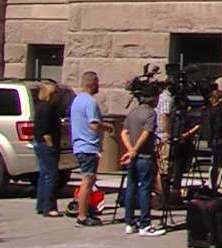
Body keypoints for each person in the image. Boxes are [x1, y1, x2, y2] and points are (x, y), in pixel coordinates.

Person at [120, 92, 165, 236]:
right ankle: (145, 224)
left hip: (133, 157)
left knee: (131, 187)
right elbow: (146, 133)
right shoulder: (150, 113)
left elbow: (124, 132)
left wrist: (129, 149)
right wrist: (135, 150)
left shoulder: (133, 112)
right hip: (144, 156)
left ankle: (129, 222)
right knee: (145, 189)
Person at [69, 71, 111, 227]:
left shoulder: (77, 100)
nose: (99, 85)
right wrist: (108, 127)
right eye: (98, 82)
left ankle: (86, 209)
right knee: (88, 180)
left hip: (80, 145)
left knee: (89, 180)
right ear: (92, 83)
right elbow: (94, 124)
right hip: (88, 146)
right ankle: (82, 215)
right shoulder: (90, 102)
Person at [32, 82, 63, 218]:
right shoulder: (48, 108)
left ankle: (41, 204)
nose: (58, 96)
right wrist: (51, 144)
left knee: (44, 175)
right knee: (51, 176)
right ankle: (49, 207)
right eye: (56, 93)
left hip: (38, 143)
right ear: (51, 94)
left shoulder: (40, 106)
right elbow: (45, 130)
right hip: (46, 145)